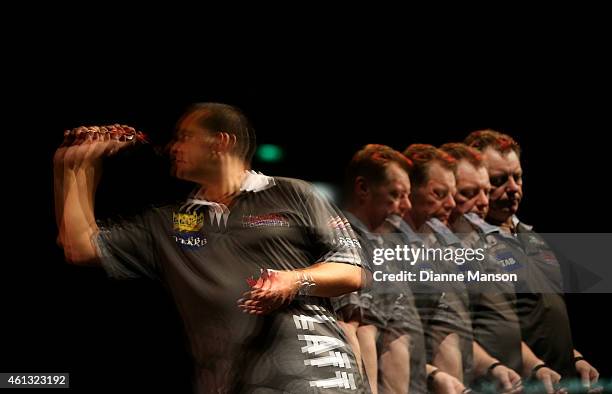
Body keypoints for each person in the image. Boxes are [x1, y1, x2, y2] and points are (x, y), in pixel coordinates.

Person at [54, 103, 369, 393]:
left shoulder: (292, 192)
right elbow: (80, 247)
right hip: (235, 385)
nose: (174, 147)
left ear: (220, 142)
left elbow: (352, 270)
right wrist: (75, 166)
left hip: (318, 376)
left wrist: (295, 280)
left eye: (185, 137)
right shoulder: (168, 222)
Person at [465, 129, 600, 392]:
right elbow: (483, 328)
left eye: (517, 177)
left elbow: (542, 315)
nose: (513, 188)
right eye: (499, 179)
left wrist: (575, 358)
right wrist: (534, 367)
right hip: (515, 384)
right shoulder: (471, 245)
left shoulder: (532, 237)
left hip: (558, 383)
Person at [441, 142, 562, 393]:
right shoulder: (433, 254)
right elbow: (442, 332)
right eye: (470, 192)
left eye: (486, 190)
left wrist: (538, 367)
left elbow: (507, 325)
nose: (483, 203)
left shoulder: (486, 249)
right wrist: (492, 367)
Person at [335, 144, 426, 394]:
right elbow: (356, 328)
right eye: (396, 194)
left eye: (407, 195)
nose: (407, 204)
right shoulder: (348, 242)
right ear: (363, 188)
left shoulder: (378, 243)